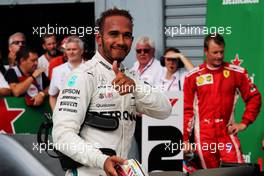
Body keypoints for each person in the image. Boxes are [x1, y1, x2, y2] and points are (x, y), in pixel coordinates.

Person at [52, 8, 172, 176]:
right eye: (113, 34)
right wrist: (101, 160)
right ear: (99, 39)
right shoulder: (83, 76)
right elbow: (61, 136)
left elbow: (165, 110)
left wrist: (136, 88)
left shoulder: (131, 77)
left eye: (127, 35)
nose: (121, 41)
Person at [183, 33, 262, 169]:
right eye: (215, 52)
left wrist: (244, 123)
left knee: (237, 172)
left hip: (226, 133)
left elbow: (254, 97)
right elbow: (187, 110)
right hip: (204, 136)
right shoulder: (193, 76)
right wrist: (184, 139)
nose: (219, 56)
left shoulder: (236, 72)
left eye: (221, 52)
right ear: (205, 51)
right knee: (209, 174)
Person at [49, 36, 85, 111]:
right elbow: (52, 96)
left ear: (81, 51)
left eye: (74, 49)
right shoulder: (57, 71)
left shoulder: (91, 68)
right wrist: (56, 115)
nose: (71, 52)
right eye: (68, 49)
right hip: (65, 116)